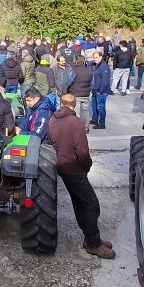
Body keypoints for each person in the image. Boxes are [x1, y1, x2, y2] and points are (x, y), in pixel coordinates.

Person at [48, 93, 115, 259]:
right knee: (92, 205)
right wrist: (87, 165)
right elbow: (82, 151)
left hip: (62, 167)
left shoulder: (53, 120)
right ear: (74, 105)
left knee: (80, 204)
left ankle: (91, 238)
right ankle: (93, 244)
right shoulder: (76, 122)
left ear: (61, 104)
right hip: (75, 169)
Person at [67, 56, 94, 132]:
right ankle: (86, 128)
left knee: (76, 112)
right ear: (85, 61)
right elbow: (92, 83)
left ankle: (78, 128)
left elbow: (69, 81)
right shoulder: (89, 71)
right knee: (86, 111)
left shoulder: (74, 70)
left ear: (76, 62)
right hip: (85, 94)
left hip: (76, 93)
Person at [90, 51, 111, 130]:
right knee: (94, 106)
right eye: (94, 57)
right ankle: (95, 119)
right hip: (95, 90)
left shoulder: (104, 67)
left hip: (101, 91)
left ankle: (102, 123)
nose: (95, 59)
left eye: (97, 57)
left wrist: (100, 91)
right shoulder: (96, 65)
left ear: (101, 57)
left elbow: (105, 82)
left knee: (101, 107)